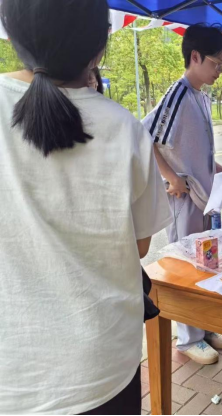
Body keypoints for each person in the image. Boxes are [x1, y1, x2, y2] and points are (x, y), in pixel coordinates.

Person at [0, 0, 173, 414]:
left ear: (12, 31)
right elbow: (140, 246)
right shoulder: (125, 129)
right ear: (100, 44)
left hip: (13, 369)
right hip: (101, 364)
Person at [142, 24, 222, 365]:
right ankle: (188, 338)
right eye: (216, 63)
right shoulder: (178, 94)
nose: (219, 70)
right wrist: (171, 178)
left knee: (206, 265)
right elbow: (145, 137)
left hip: (206, 199)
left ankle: (205, 327)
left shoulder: (201, 96)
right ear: (194, 56)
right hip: (186, 199)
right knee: (186, 268)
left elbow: (199, 152)